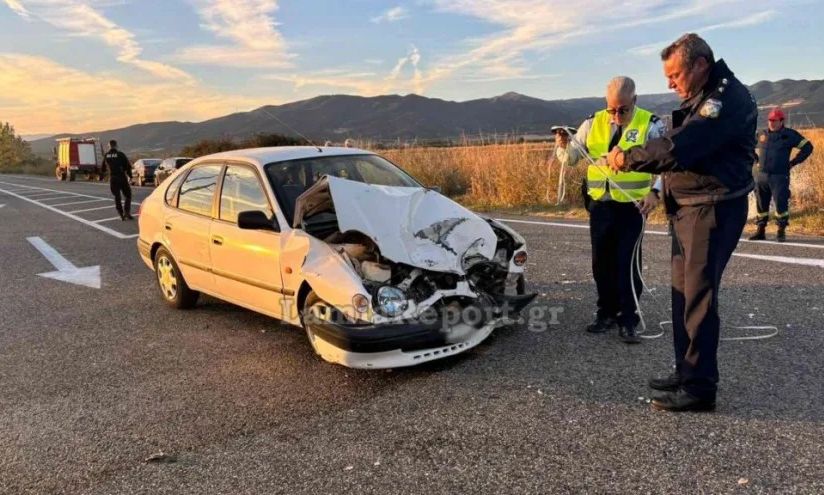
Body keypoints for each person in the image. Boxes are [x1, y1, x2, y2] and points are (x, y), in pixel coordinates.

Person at [607, 34, 757, 412]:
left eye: (675, 75)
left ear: (700, 65)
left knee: (698, 299)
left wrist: (628, 158)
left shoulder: (723, 100)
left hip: (711, 210)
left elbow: (681, 147)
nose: (669, 83)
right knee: (682, 295)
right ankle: (685, 370)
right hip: (689, 208)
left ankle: (700, 388)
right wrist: (660, 192)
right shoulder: (702, 94)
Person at [554, 76, 664, 344]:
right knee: (601, 263)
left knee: (627, 263)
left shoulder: (651, 124)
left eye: (623, 110)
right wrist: (561, 144)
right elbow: (571, 159)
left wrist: (656, 192)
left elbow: (668, 164)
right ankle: (605, 313)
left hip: (632, 206)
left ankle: (629, 318)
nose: (616, 116)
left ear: (634, 101)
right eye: (612, 109)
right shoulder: (592, 123)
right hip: (600, 205)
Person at [750, 107, 814, 242]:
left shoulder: (789, 135)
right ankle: (760, 231)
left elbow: (808, 147)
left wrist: (794, 162)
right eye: (770, 120)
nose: (771, 123)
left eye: (774, 120)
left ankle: (780, 231)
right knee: (761, 204)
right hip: (761, 177)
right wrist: (755, 160)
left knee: (781, 204)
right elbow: (748, 146)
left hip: (779, 176)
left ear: (781, 121)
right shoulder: (762, 134)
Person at [102, 140, 133, 220]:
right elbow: (127, 166)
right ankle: (127, 212)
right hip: (121, 177)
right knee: (128, 195)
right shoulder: (120, 154)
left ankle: (120, 214)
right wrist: (130, 176)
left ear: (109, 146)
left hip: (113, 178)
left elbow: (103, 169)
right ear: (116, 146)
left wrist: (104, 175)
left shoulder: (106, 155)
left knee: (117, 196)